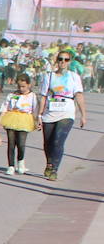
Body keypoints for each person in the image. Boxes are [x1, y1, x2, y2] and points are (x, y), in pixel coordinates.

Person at [36, 48, 88, 181]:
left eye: (66, 60)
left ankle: (54, 169)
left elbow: (79, 95)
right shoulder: (49, 76)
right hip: (50, 111)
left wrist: (83, 115)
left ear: (69, 62)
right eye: (60, 59)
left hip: (66, 112)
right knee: (48, 143)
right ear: (56, 61)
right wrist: (39, 115)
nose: (63, 62)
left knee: (58, 141)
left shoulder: (73, 77)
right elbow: (43, 96)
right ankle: (49, 163)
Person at [0, 74, 39, 176]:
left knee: (21, 143)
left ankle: (21, 163)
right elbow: (5, 107)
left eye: (24, 86)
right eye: (19, 86)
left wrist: (37, 121)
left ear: (29, 85)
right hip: (11, 117)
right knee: (11, 143)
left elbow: (35, 109)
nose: (21, 88)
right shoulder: (12, 95)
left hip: (25, 118)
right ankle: (11, 166)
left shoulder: (32, 96)